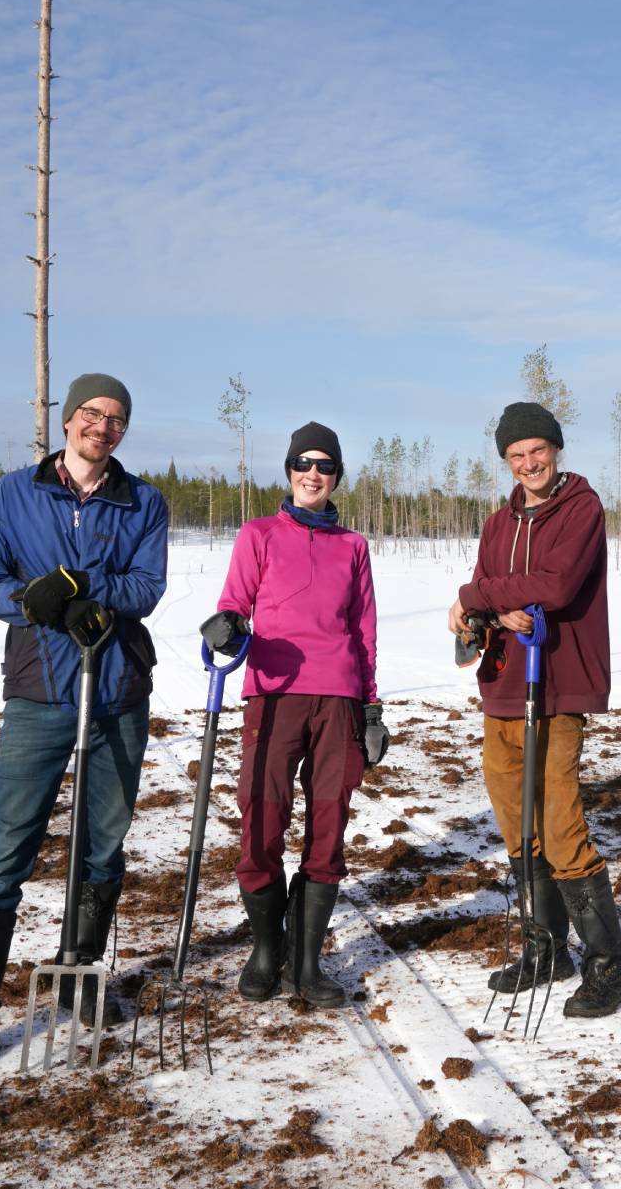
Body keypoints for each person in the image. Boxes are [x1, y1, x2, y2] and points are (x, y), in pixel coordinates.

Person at [0, 373, 169, 1078]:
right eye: (92, 413)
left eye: (116, 418)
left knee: (104, 840)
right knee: (8, 846)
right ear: (69, 420)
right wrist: (37, 605)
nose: (102, 426)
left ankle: (79, 966)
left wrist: (83, 589)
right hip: (39, 691)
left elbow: (146, 586)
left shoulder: (142, 500)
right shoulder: (13, 493)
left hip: (117, 688)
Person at [446, 401, 621, 1018]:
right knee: (515, 819)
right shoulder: (499, 522)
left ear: (556, 450)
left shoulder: (582, 508)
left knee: (558, 821)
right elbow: (488, 592)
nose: (529, 463)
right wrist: (491, 611)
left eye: (538, 451)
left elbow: (555, 586)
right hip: (503, 682)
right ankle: (545, 948)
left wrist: (474, 595)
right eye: (516, 456)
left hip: (556, 684)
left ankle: (608, 967)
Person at [199, 422, 387, 1009]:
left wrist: (371, 707)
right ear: (288, 470)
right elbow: (235, 600)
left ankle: (306, 962)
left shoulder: (353, 546)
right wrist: (227, 623)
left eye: (325, 466)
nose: (314, 474)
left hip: (338, 698)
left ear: (336, 477)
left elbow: (364, 631)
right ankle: (266, 949)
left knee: (328, 828)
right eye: (304, 463)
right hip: (273, 693)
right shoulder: (258, 534)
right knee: (260, 822)